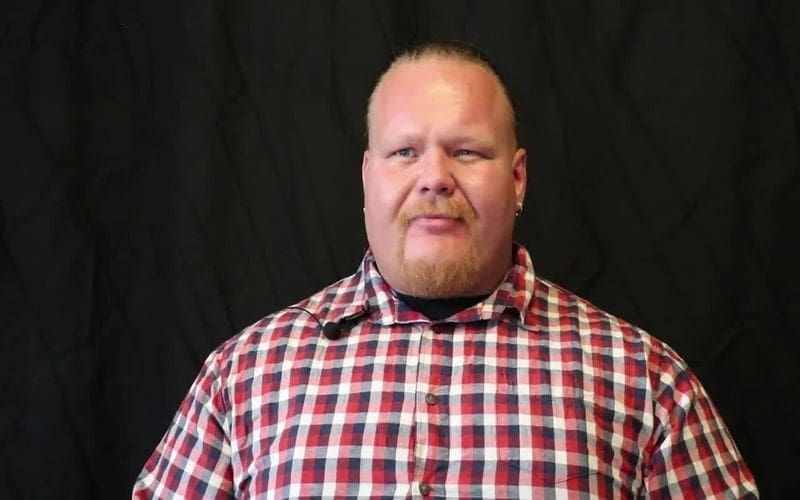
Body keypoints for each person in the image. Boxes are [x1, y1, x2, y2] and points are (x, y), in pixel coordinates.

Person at [133, 41, 758, 498]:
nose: (434, 177)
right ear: (368, 178)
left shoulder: (647, 384)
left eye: (467, 151)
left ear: (517, 178)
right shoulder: (244, 378)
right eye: (405, 152)